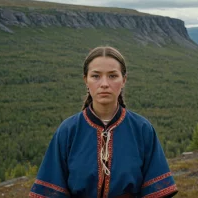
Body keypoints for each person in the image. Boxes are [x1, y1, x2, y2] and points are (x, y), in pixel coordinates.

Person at [29, 46, 178, 198]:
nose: (104, 84)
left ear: (124, 80)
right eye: (96, 76)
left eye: (113, 76)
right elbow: (51, 190)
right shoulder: (68, 131)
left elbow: (157, 192)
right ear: (85, 80)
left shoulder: (142, 129)